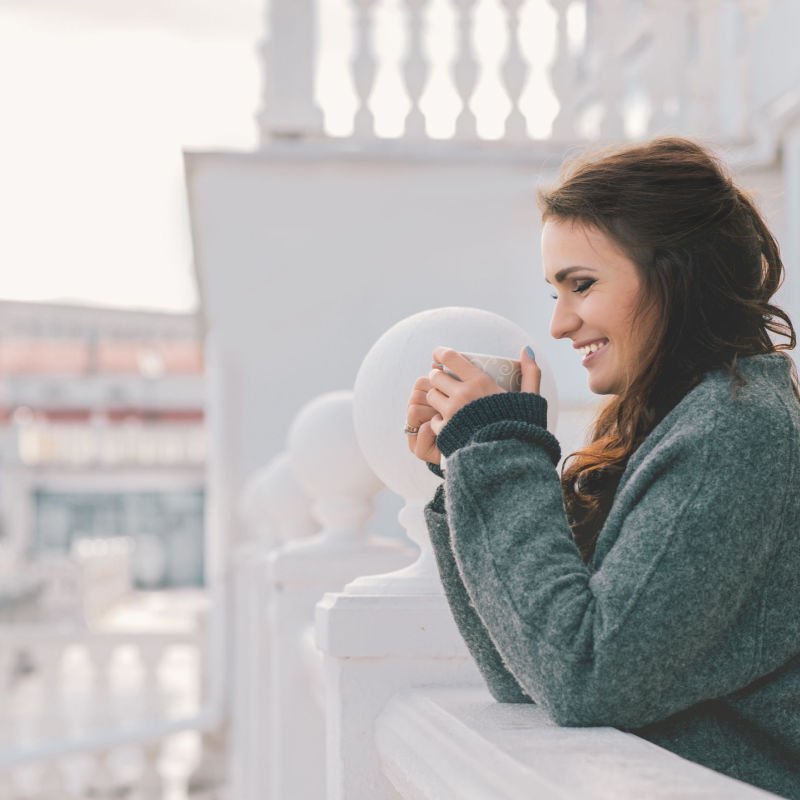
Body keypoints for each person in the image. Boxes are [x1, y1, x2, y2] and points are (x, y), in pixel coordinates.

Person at [405, 137, 800, 798]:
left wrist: (500, 452)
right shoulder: (684, 422)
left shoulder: (733, 431)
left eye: (581, 285)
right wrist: (467, 471)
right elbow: (525, 665)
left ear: (676, 275)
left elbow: (582, 678)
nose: (559, 324)